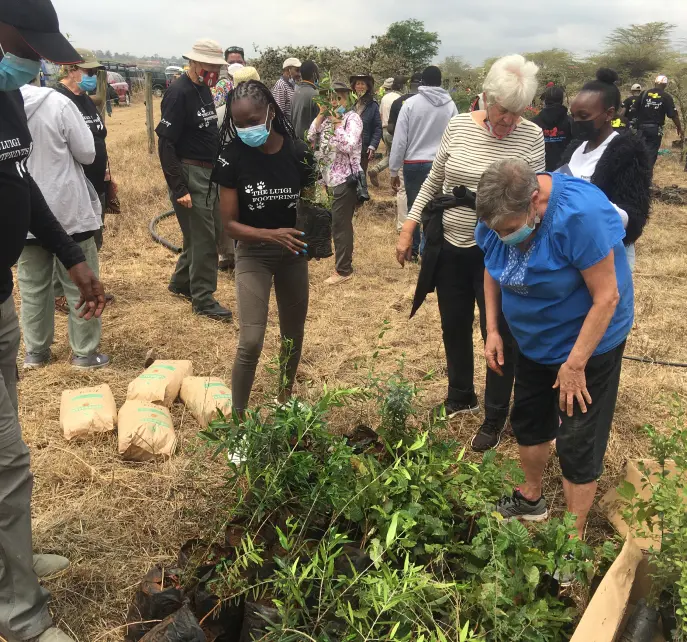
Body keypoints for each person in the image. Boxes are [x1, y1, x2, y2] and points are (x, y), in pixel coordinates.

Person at [0, 2, 106, 640]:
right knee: (7, 461)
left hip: (2, 297)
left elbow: (22, 181)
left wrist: (72, 256)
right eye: (23, 42)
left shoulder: (8, 97)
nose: (34, 57)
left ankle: (10, 560)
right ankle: (20, 611)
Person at [475, 159, 634, 540]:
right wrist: (493, 330)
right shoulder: (496, 211)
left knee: (577, 437)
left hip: (587, 341)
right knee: (529, 419)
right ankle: (531, 499)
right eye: (495, 230)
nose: (502, 236)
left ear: (535, 201)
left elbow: (606, 297)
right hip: (532, 338)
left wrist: (576, 364)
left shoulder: (580, 215)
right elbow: (492, 267)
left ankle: (571, 537)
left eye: (510, 230)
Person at [396, 54, 545, 452]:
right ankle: (461, 394)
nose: (509, 121)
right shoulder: (459, 125)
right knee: (454, 322)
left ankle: (496, 415)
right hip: (451, 243)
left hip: (498, 251)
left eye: (517, 113)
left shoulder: (531, 137)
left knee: (498, 332)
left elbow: (536, 200)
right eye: (502, 111)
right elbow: (434, 179)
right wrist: (409, 226)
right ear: (484, 97)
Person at [213, 81, 314, 413]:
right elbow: (229, 224)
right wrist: (271, 235)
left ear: (271, 111)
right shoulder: (231, 158)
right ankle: (238, 424)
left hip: (293, 256)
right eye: (239, 124)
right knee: (251, 341)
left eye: (253, 120)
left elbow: (312, 205)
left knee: (292, 335)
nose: (247, 129)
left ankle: (285, 402)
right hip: (253, 254)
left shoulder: (298, 153)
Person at [20, 82, 109, 369]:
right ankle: (84, 353)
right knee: (80, 285)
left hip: (27, 213)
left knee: (33, 288)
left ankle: (36, 352)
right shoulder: (58, 103)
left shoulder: (8, 105)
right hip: (68, 209)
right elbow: (87, 153)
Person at [156, 38, 232, 321]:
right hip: (190, 173)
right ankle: (203, 298)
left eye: (217, 67)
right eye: (211, 66)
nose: (215, 71)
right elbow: (166, 144)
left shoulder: (204, 90)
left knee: (203, 233)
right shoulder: (179, 93)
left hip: (208, 172)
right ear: (196, 63)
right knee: (204, 239)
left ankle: (181, 282)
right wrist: (179, 187)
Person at [560, 68, 651, 272]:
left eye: (584, 115)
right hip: (570, 250)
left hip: (607, 255)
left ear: (609, 113)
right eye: (573, 116)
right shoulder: (575, 148)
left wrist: (587, 203)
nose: (576, 122)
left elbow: (634, 216)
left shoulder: (627, 152)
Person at [390, 66, 458, 258]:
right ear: (440, 82)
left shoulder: (410, 104)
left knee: (415, 207)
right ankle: (429, 249)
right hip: (441, 163)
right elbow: (456, 136)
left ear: (422, 82)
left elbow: (400, 140)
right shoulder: (450, 105)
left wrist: (394, 170)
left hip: (414, 164)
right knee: (436, 208)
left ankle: (413, 250)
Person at [308, 81, 363, 285]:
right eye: (329, 98)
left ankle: (343, 270)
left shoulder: (352, 119)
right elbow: (309, 136)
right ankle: (343, 265)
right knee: (337, 223)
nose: (333, 102)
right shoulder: (326, 121)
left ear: (346, 98)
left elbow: (348, 145)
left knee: (341, 225)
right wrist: (321, 115)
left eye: (338, 98)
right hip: (329, 179)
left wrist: (338, 123)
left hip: (344, 179)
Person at [55, 48, 110, 249]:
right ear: (72, 69)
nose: (93, 77)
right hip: (74, 191)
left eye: (94, 73)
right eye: (89, 72)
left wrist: (106, 175)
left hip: (96, 185)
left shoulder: (86, 100)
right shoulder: (58, 100)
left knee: (94, 244)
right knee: (76, 248)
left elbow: (98, 138)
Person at [388, 72, 422, 234]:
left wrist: (393, 167)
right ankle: (422, 226)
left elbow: (391, 129)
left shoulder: (400, 102)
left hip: (406, 154)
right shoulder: (437, 104)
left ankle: (403, 226)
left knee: (403, 190)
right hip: (430, 158)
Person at [635, 74, 683, 169]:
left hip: (640, 128)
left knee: (639, 152)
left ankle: (637, 177)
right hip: (654, 129)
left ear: (655, 83)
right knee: (651, 153)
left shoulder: (644, 93)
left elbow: (634, 109)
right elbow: (673, 115)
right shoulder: (666, 96)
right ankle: (647, 179)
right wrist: (679, 128)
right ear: (665, 85)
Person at [368, 76, 403, 187]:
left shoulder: (384, 98)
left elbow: (381, 115)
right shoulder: (400, 98)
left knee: (391, 154)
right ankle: (398, 184)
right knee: (399, 157)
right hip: (395, 130)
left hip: (384, 130)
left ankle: (376, 170)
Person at [532, 85, 572, 171]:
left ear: (545, 101)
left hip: (540, 170)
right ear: (562, 100)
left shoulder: (533, 123)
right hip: (565, 170)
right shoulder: (571, 122)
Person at [350, 73, 382, 174]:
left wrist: (372, 145)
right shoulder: (349, 103)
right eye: (357, 84)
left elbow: (377, 127)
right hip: (348, 147)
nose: (360, 86)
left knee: (360, 176)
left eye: (363, 84)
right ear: (354, 86)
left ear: (368, 86)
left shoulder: (373, 105)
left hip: (363, 148)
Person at [291, 60, 320, 142]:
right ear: (314, 74)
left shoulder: (295, 94)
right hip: (309, 144)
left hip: (296, 142)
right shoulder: (316, 95)